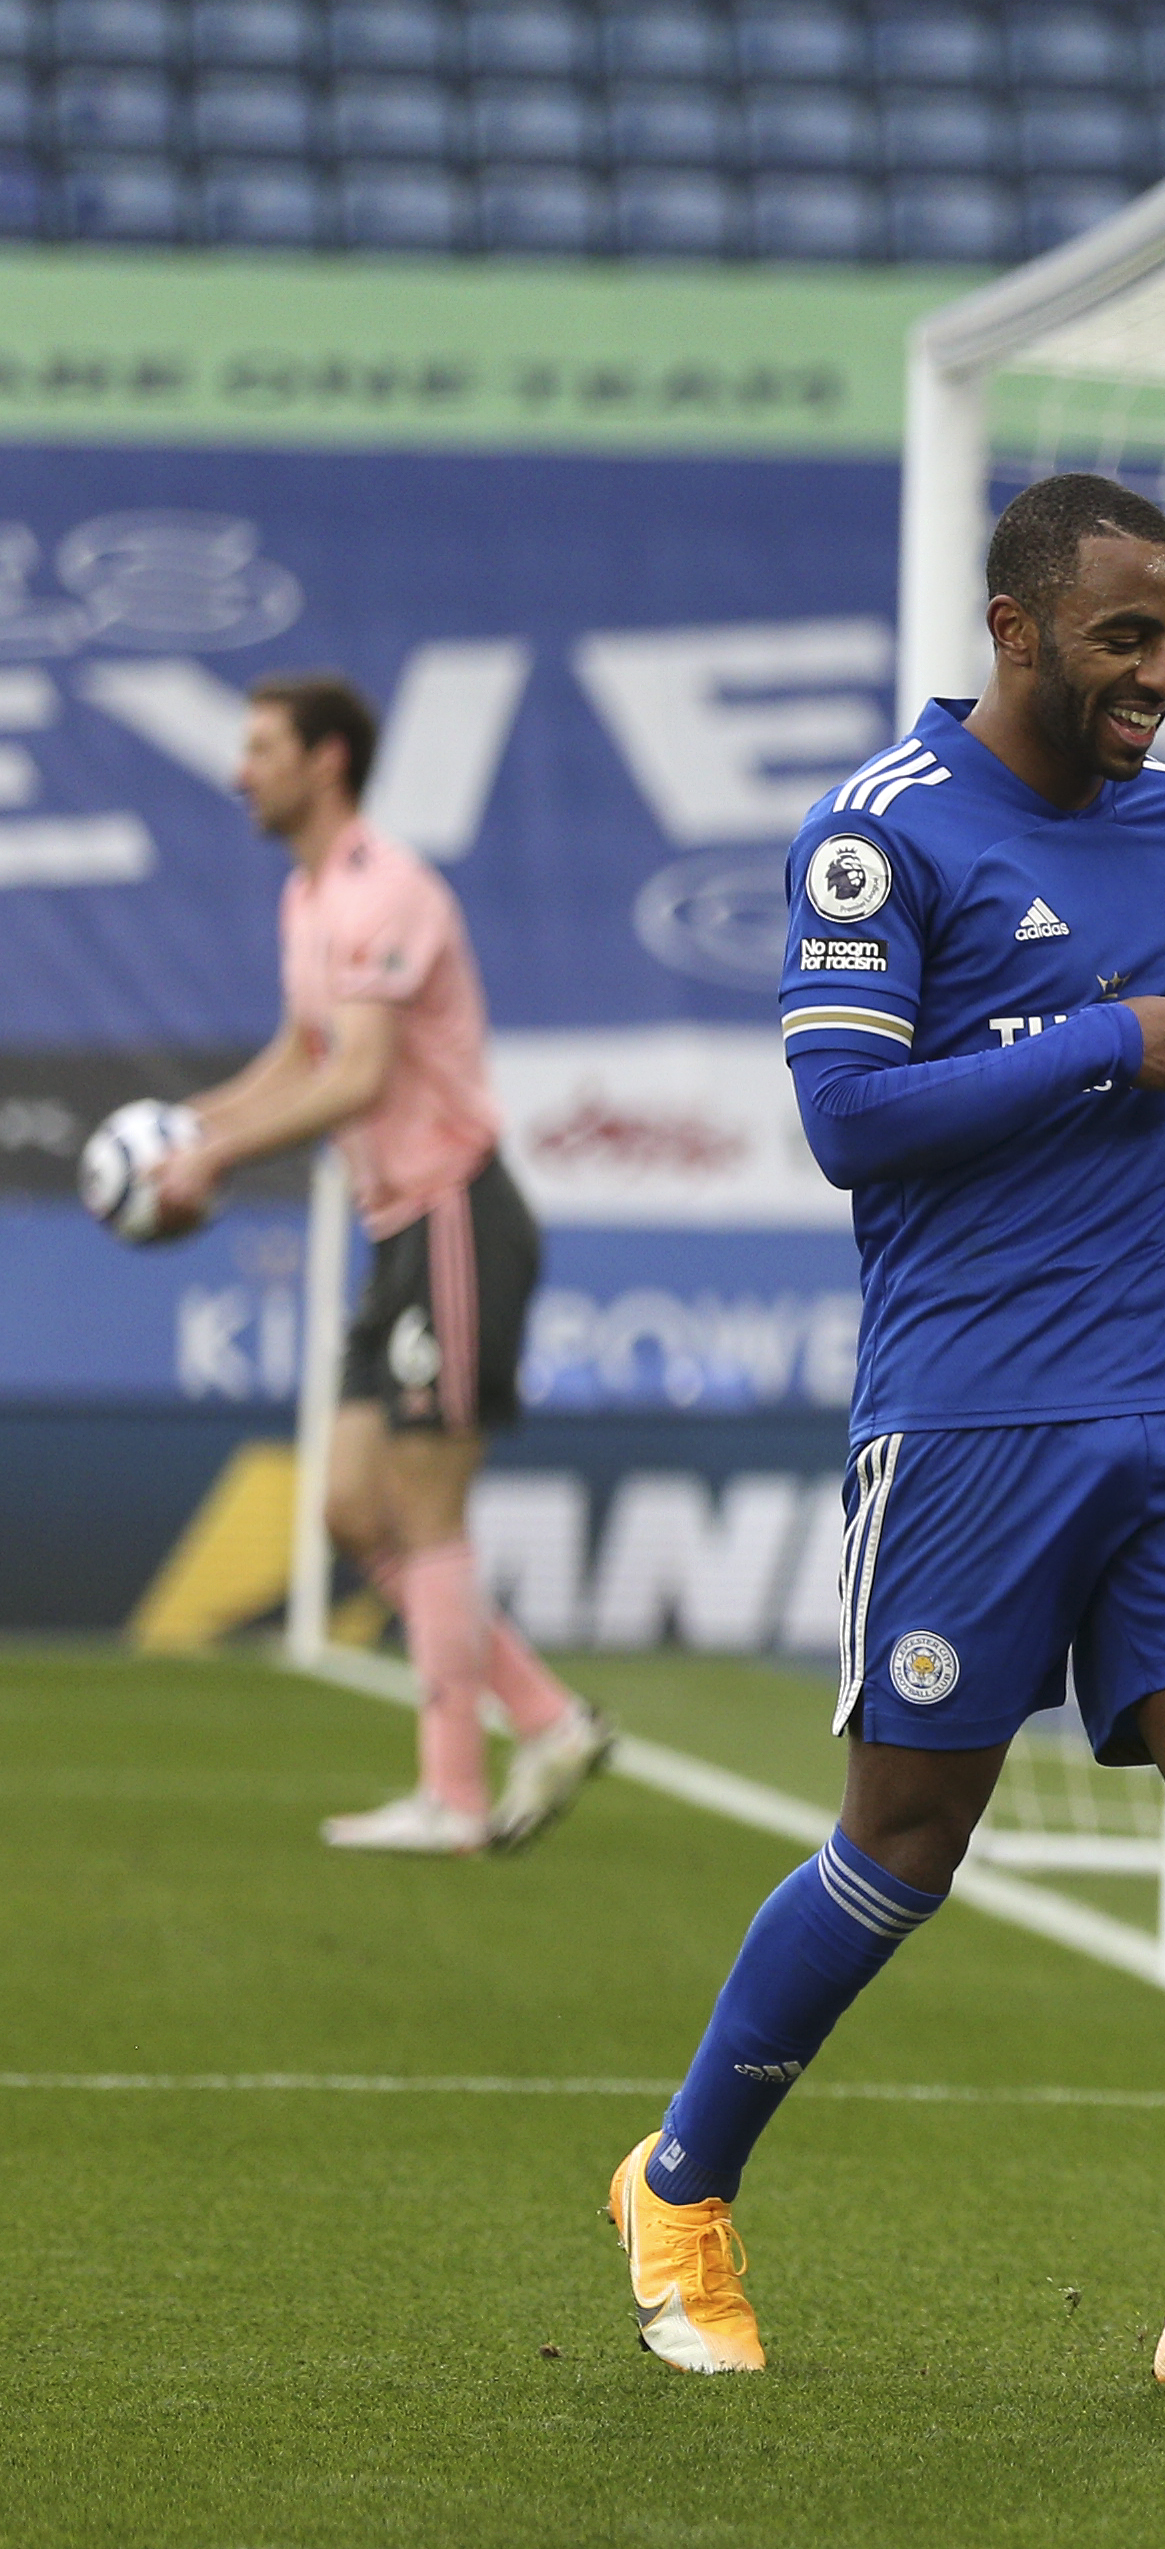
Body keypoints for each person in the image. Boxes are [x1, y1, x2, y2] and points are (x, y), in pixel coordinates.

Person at [604, 474, 1165, 2402]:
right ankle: (679, 2179)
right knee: (907, 1838)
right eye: (1126, 637)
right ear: (1018, 629)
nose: (1161, 676)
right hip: (972, 1407)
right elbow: (853, 1119)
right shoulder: (877, 835)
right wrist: (1107, 1044)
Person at [150, 673, 615, 1857]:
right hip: (395, 1228)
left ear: (326, 763)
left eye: (260, 747)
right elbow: (300, 1050)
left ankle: (453, 1795)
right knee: (356, 1507)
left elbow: (354, 1077)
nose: (238, 769)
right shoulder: (309, 895)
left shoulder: (385, 888)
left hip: (455, 1215)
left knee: (425, 1504)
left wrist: (214, 1159)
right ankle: (548, 1716)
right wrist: (187, 1129)